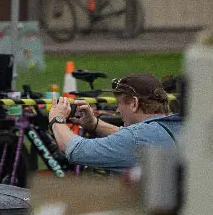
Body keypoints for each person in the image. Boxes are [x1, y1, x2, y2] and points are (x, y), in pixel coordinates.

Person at [49, 72, 183, 173]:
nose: (117, 110)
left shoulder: (135, 138)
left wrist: (57, 119)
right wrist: (94, 124)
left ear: (134, 103)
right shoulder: (179, 126)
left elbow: (77, 150)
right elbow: (129, 137)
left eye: (119, 103)